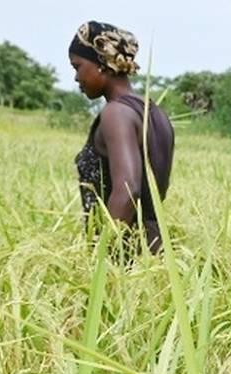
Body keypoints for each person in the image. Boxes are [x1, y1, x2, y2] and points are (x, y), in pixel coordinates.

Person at [69, 21, 175, 254]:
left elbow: (128, 191)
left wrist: (103, 259)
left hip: (125, 258)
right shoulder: (154, 113)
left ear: (100, 63)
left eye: (77, 66)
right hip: (155, 251)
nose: (76, 77)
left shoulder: (116, 114)